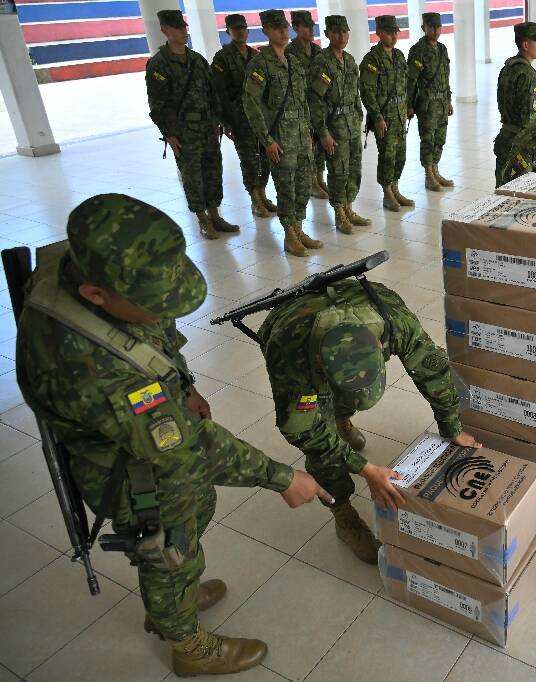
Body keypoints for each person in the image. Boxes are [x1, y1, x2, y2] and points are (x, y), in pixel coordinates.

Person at [15, 194, 330, 677]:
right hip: (122, 466)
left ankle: (172, 598)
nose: (164, 310)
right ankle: (185, 641)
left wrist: (183, 384)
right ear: (96, 294)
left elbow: (152, 337)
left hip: (140, 432)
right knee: (168, 543)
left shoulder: (95, 264)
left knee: (191, 516)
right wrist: (282, 478)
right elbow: (187, 447)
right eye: (153, 304)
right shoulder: (92, 368)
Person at [257, 277, 481, 563]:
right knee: (322, 448)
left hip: (353, 299)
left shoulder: (394, 321)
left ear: (379, 345)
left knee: (349, 404)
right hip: (292, 321)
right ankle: (343, 515)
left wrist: (452, 426)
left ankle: (342, 420)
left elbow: (433, 373)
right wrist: (364, 469)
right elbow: (304, 432)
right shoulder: (290, 358)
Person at [145, 9, 237, 240]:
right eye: (177, 28)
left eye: (184, 27)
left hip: (207, 127)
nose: (183, 31)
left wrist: (219, 120)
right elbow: (158, 104)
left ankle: (215, 213)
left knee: (213, 171)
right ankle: (202, 218)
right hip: (184, 132)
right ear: (165, 29)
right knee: (192, 175)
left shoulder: (197, 60)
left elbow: (211, 91)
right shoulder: (159, 64)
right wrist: (169, 134)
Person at [243, 9, 323, 258]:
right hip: (280, 139)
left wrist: (309, 131)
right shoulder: (260, 64)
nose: (283, 32)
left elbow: (303, 102)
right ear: (266, 30)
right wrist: (267, 141)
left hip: (300, 137)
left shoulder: (294, 62)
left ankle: (299, 229)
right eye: (277, 28)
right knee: (286, 189)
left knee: (301, 188)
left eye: (285, 27)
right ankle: (289, 235)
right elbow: (251, 103)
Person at [307, 14, 372, 233]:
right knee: (338, 172)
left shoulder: (350, 61)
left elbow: (355, 95)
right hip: (334, 128)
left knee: (354, 170)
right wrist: (323, 133)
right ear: (327, 34)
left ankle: (349, 208)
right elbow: (315, 101)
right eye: (336, 32)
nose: (342, 36)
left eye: (345, 32)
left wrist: (360, 119)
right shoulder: (322, 63)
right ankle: (339, 213)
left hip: (352, 125)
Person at [211, 13, 275, 219]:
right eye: (236, 29)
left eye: (243, 28)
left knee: (264, 158)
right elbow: (218, 92)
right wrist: (225, 121)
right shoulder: (222, 58)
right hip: (238, 119)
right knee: (248, 159)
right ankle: (255, 200)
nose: (241, 32)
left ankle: (263, 195)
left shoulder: (255, 55)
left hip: (259, 118)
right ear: (228, 32)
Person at [360, 15, 415, 212]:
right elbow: (367, 92)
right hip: (385, 118)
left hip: (400, 116)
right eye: (389, 32)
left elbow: (405, 85)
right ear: (379, 33)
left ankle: (395, 187)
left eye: (395, 32)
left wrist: (409, 106)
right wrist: (378, 117)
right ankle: (387, 193)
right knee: (387, 156)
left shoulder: (399, 56)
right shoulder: (371, 60)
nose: (393, 35)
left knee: (401, 155)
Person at [494, 21, 536, 186]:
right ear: (525, 44)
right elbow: (532, 119)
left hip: (505, 138)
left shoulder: (508, 67)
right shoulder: (528, 76)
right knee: (518, 194)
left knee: (502, 189)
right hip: (520, 144)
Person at [407, 12, 454, 192]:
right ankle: (428, 174)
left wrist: (448, 100)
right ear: (423, 28)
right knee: (428, 139)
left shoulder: (442, 49)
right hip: (426, 105)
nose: (435, 31)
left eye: (437, 27)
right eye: (431, 27)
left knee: (440, 139)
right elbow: (411, 81)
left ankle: (435, 169)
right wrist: (409, 105)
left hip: (442, 102)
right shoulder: (417, 51)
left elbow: (445, 78)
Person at [285, 10, 329, 202]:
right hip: (301, 108)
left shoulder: (318, 50)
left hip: (318, 106)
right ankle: (311, 182)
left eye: (312, 25)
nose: (311, 29)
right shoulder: (288, 52)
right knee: (307, 147)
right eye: (306, 26)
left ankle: (319, 178)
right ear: (295, 28)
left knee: (319, 145)